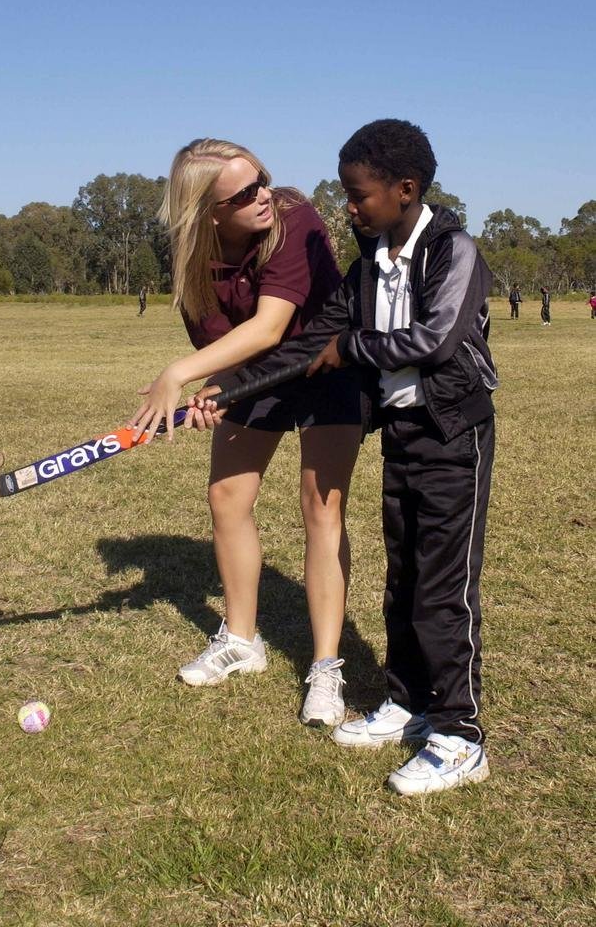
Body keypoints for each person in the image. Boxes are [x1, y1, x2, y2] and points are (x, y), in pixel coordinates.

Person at [198, 119, 497, 795]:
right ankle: (408, 702)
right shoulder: (370, 263)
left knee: (444, 589)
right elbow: (315, 340)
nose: (349, 209)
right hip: (400, 428)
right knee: (404, 576)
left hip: (454, 432)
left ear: (405, 189)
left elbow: (435, 340)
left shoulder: (453, 252)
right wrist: (230, 392)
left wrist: (351, 351)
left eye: (358, 197)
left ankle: (459, 734)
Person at [127, 138, 362, 726]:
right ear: (208, 210)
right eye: (244, 193)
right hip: (260, 375)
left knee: (320, 506)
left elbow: (270, 326)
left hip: (327, 364)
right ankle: (241, 639)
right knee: (226, 495)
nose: (263, 196)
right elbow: (225, 350)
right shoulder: (193, 258)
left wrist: (178, 376)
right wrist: (214, 391)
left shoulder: (292, 216)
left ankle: (327, 667)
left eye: (262, 179)